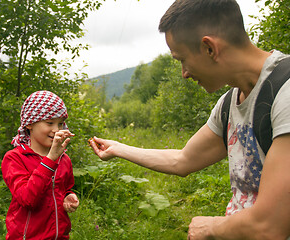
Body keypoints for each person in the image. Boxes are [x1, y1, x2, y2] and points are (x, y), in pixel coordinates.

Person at [89, 0, 290, 239]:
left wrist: (210, 228)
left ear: (209, 48)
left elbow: (269, 226)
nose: (184, 74)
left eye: (182, 59)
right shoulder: (228, 103)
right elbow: (182, 160)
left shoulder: (284, 92)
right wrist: (119, 148)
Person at [2, 90, 79, 240]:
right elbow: (27, 199)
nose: (56, 130)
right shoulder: (15, 158)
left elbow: (64, 188)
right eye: (50, 123)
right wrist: (50, 159)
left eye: (60, 123)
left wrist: (68, 196)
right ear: (30, 124)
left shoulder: (64, 160)